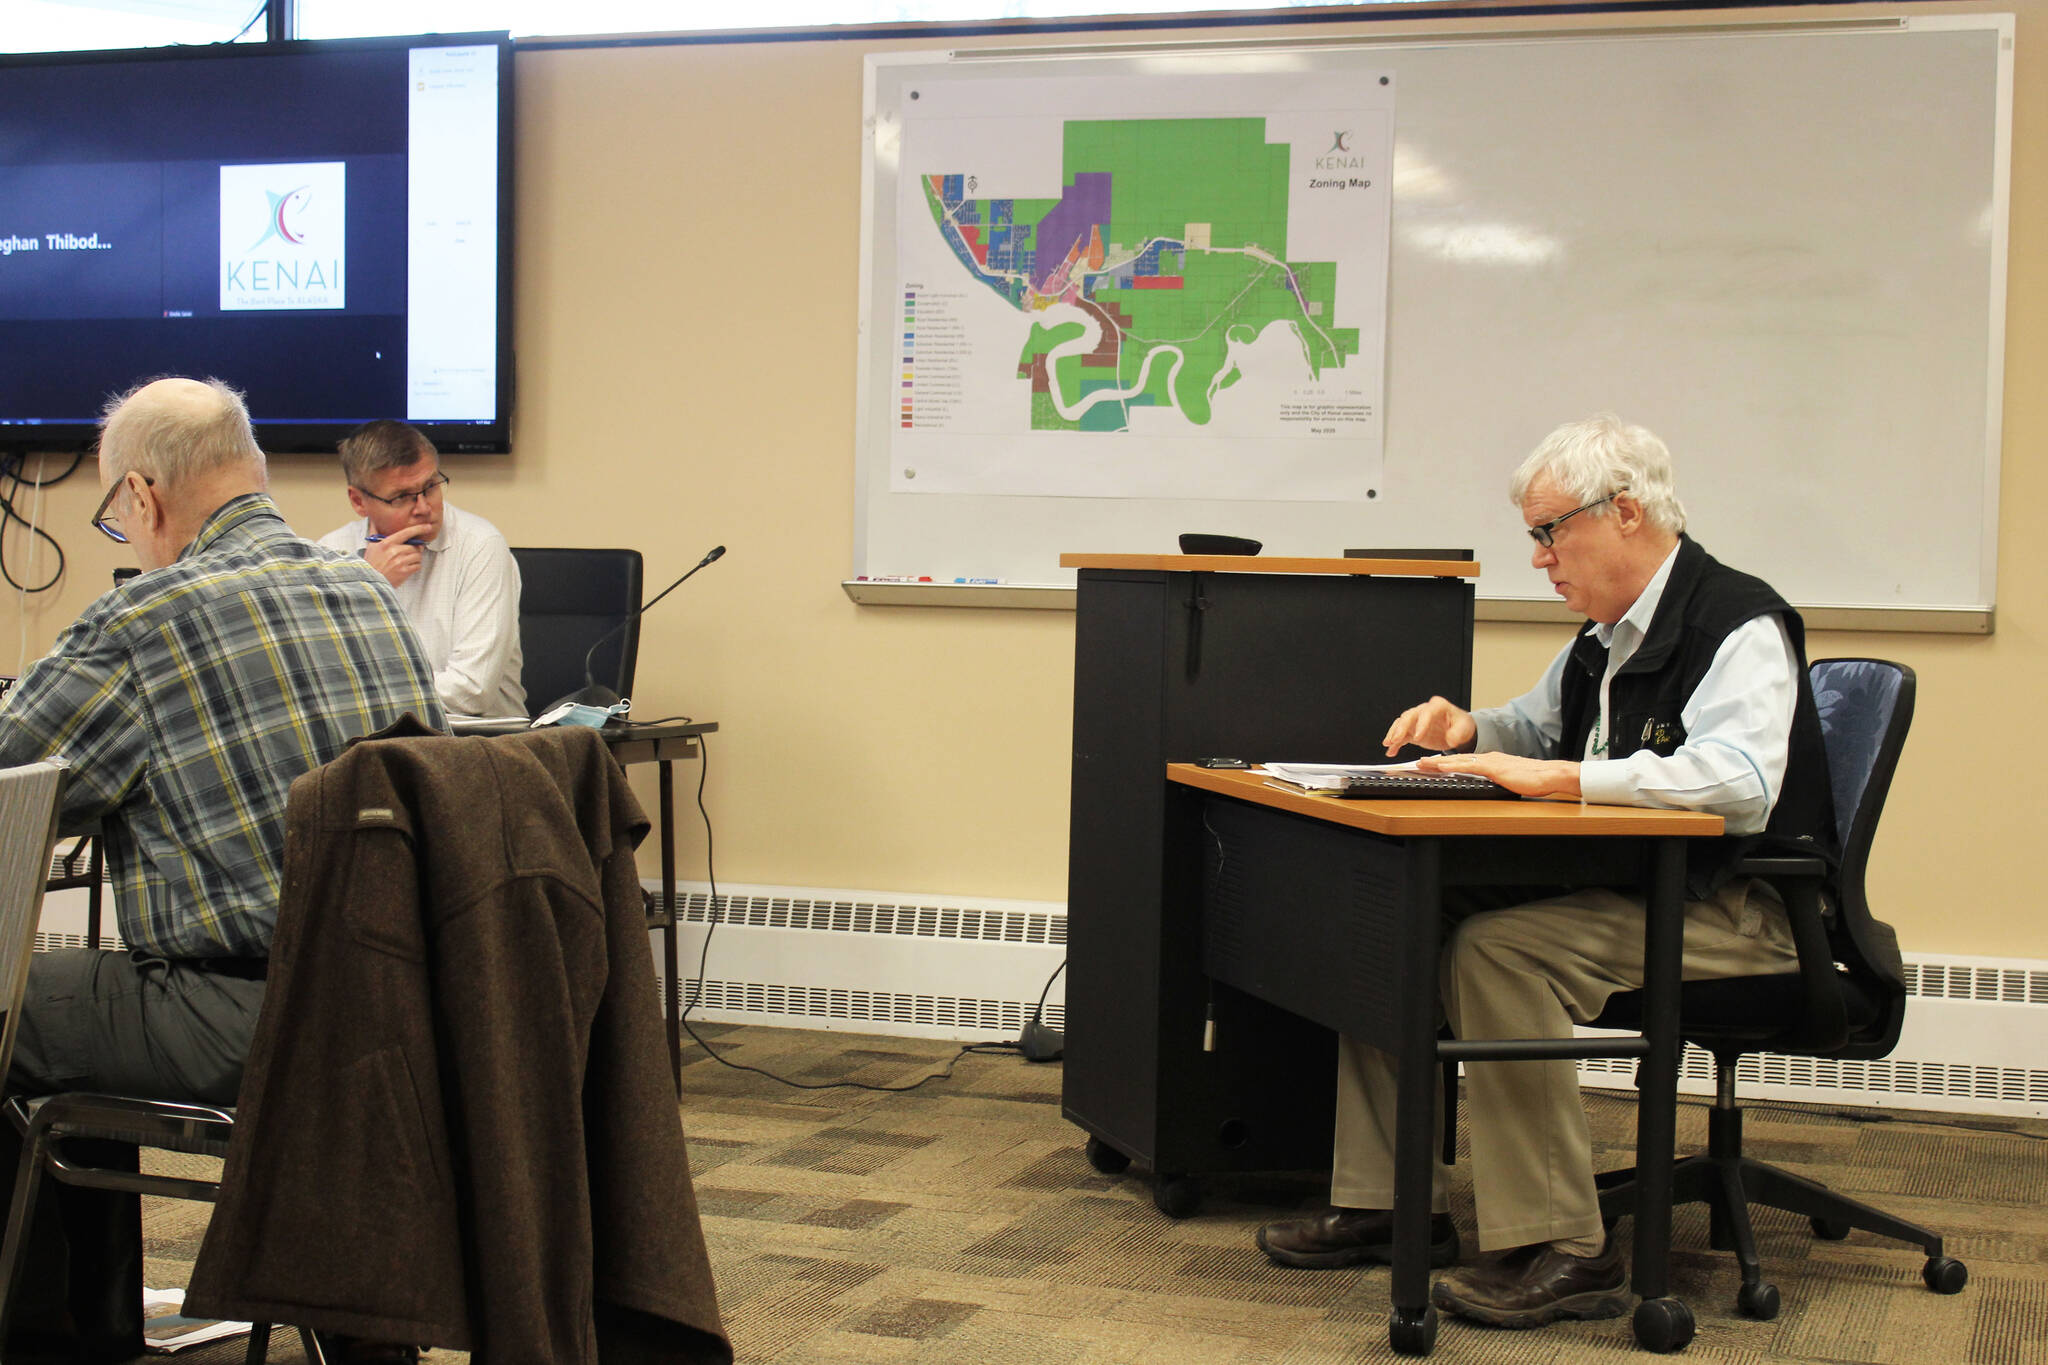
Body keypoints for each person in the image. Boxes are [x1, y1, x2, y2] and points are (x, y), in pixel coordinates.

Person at [1256, 414, 1837, 1330]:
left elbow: (1743, 783)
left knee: (1498, 951)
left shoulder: (1738, 622)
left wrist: (1559, 777)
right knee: (1398, 919)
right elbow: (1533, 727)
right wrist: (1471, 730)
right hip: (1635, 888)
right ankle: (1389, 1200)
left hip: (1736, 905)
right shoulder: (1602, 637)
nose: (1539, 557)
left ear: (1627, 512)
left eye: (1550, 531)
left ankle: (1571, 1249)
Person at [0, 377, 445, 1364]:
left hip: (254, 1014)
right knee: (73, 1010)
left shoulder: (140, 623)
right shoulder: (366, 593)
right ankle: (98, 1322)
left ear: (145, 498)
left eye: (119, 516)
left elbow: (11, 780)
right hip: (407, 1005)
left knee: (14, 1006)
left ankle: (49, 1338)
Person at [319, 419, 526, 718]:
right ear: (358, 501)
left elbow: (471, 692)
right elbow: (320, 678)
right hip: (369, 744)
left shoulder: (481, 546)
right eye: (402, 497)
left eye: (430, 487)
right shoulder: (331, 552)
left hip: (474, 743)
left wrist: (362, 700)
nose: (423, 508)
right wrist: (369, 588)